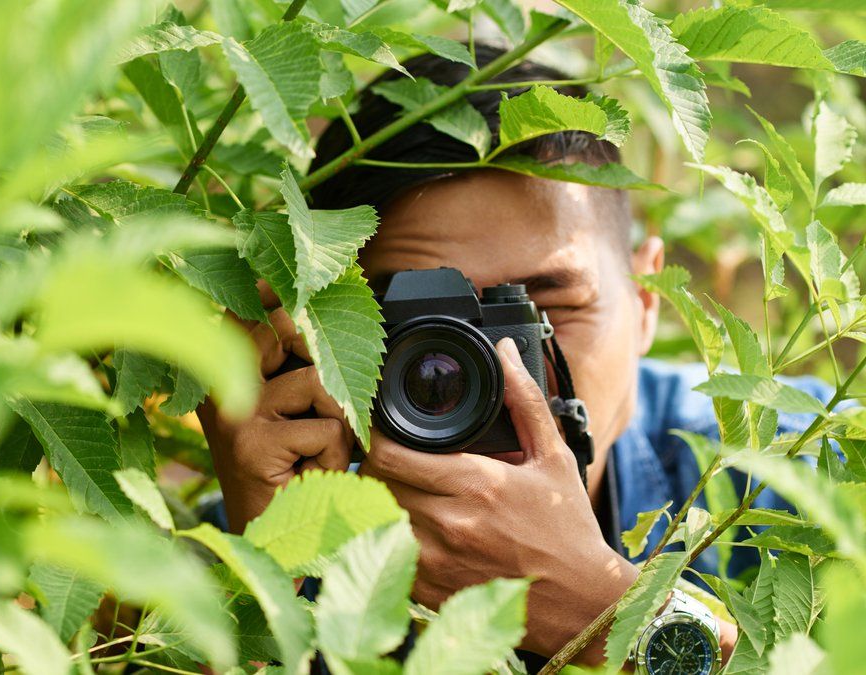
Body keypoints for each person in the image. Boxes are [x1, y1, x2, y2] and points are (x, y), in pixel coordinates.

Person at [196, 44, 829, 669]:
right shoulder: (251, 532)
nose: (488, 376)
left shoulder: (805, 474)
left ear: (645, 301)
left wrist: (608, 615)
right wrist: (267, 586)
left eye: (538, 312)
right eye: (420, 330)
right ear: (322, 338)